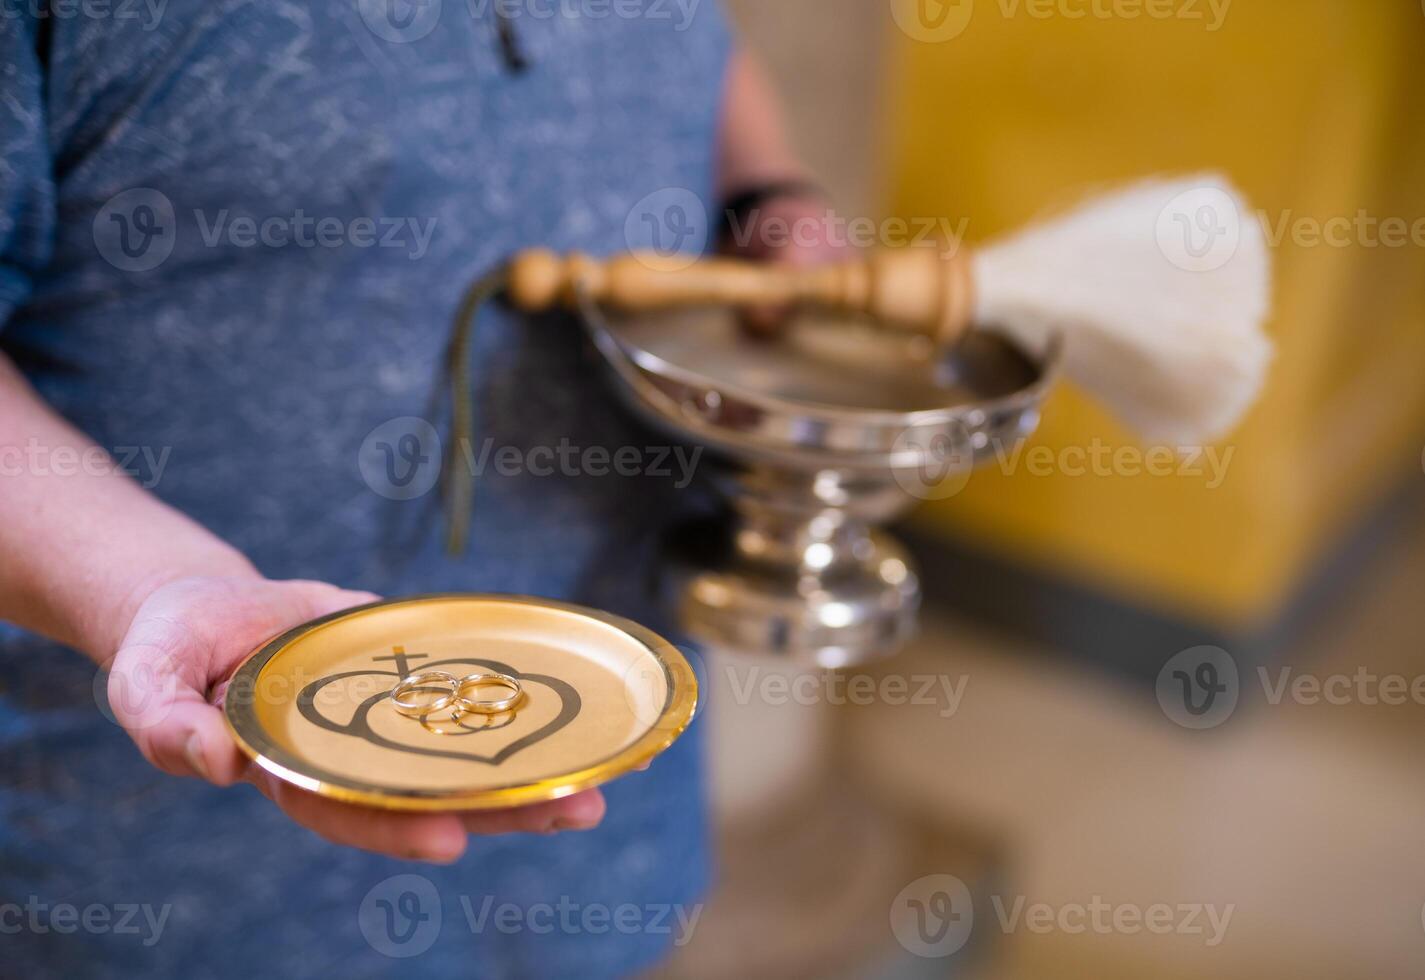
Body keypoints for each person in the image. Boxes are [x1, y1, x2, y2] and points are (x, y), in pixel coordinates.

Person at [0, 3, 838, 976]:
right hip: (183, 869)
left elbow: (697, 42)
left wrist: (765, 189)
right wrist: (148, 584)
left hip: (606, 812)